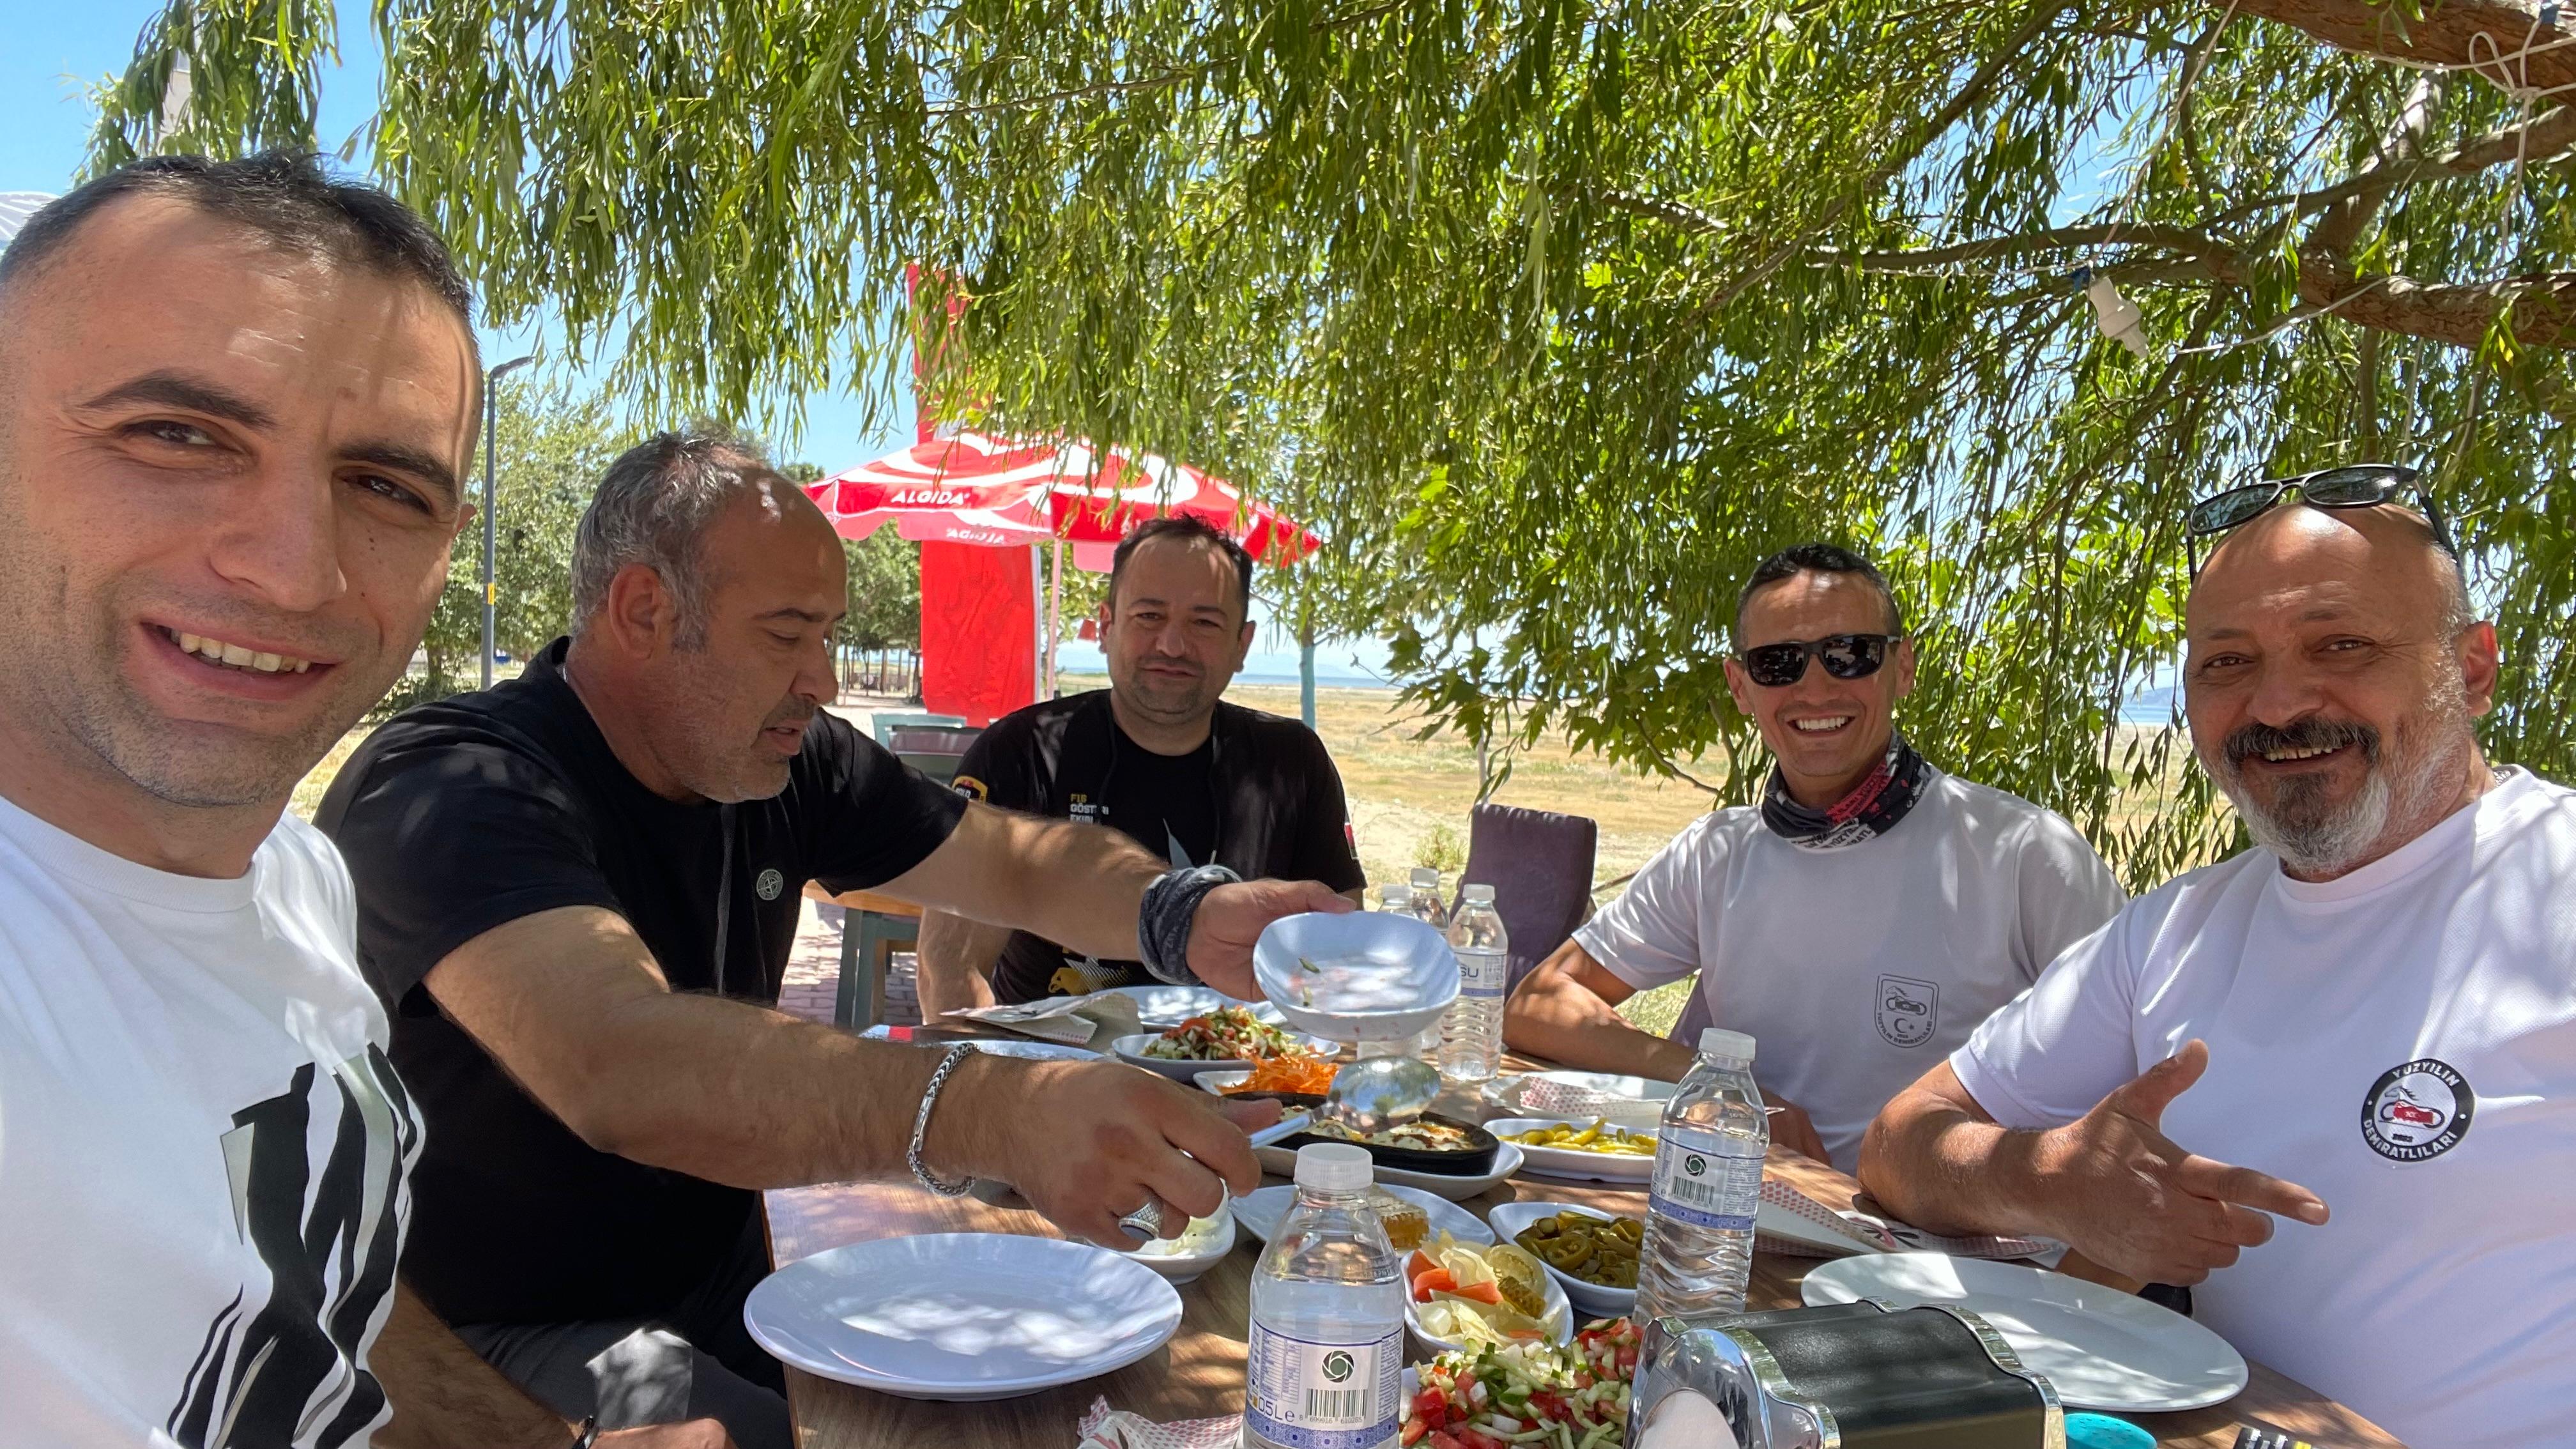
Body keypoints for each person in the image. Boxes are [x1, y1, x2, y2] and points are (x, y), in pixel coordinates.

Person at [315, 432, 1351, 1447]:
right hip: (485, 1334)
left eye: (829, 634)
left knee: (1061, 1401)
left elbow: (1014, 862)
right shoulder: (456, 784)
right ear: (642, 610)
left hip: (729, 1269)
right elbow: (618, 1063)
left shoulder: (787, 759)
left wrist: (1180, 912)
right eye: (787, 634)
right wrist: (993, 1111)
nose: (824, 676)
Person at [0, 152, 721, 1448]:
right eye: (176, 434)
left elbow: (317, 1302)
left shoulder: (298, 881)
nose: (295, 568)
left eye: (386, 487)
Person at [1857, 471, 2572, 1449]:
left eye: (2341, 645)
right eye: (2228, 662)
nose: (2277, 705)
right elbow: (1901, 1141)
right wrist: (2046, 1178)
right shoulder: (2176, 931)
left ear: (2473, 669)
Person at [1503, 543, 2124, 1169]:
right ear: (1741, 687)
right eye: (1779, 663)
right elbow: (1539, 1003)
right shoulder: (1716, 854)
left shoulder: (2023, 854)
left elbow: (2139, 1081)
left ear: (1903, 668)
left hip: (1939, 1227)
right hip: (1738, 1203)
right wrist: (1723, 1088)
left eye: (1849, 654)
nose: (1816, 688)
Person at [916, 515, 1368, 1013]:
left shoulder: (1292, 762)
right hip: (1056, 1055)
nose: (1172, 645)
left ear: (1242, 644)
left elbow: (1337, 955)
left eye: (1204, 623)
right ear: (1106, 626)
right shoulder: (1021, 752)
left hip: (1243, 1053)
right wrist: (987, 1063)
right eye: (1149, 616)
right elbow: (950, 967)